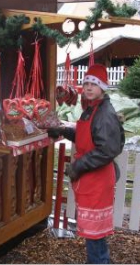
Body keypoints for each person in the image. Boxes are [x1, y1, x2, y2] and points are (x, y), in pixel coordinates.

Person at [48, 63, 124, 264]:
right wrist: (63, 131)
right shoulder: (92, 108)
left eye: (94, 84)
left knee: (95, 234)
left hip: (97, 179)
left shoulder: (104, 114)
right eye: (86, 83)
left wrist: (78, 167)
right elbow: (84, 137)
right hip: (92, 179)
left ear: (103, 87)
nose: (89, 87)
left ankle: (99, 262)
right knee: (94, 233)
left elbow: (106, 150)